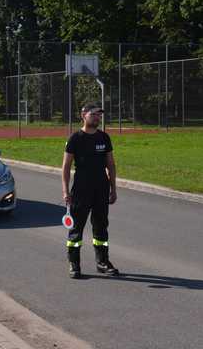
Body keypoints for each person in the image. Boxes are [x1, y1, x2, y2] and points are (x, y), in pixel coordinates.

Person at [61, 102, 119, 279]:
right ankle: (74, 264)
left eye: (99, 115)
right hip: (81, 190)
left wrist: (113, 188)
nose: (97, 117)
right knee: (76, 229)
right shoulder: (75, 138)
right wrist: (65, 191)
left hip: (101, 189)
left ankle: (102, 262)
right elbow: (66, 167)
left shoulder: (104, 138)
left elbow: (110, 164)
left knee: (101, 227)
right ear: (83, 115)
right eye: (94, 114)